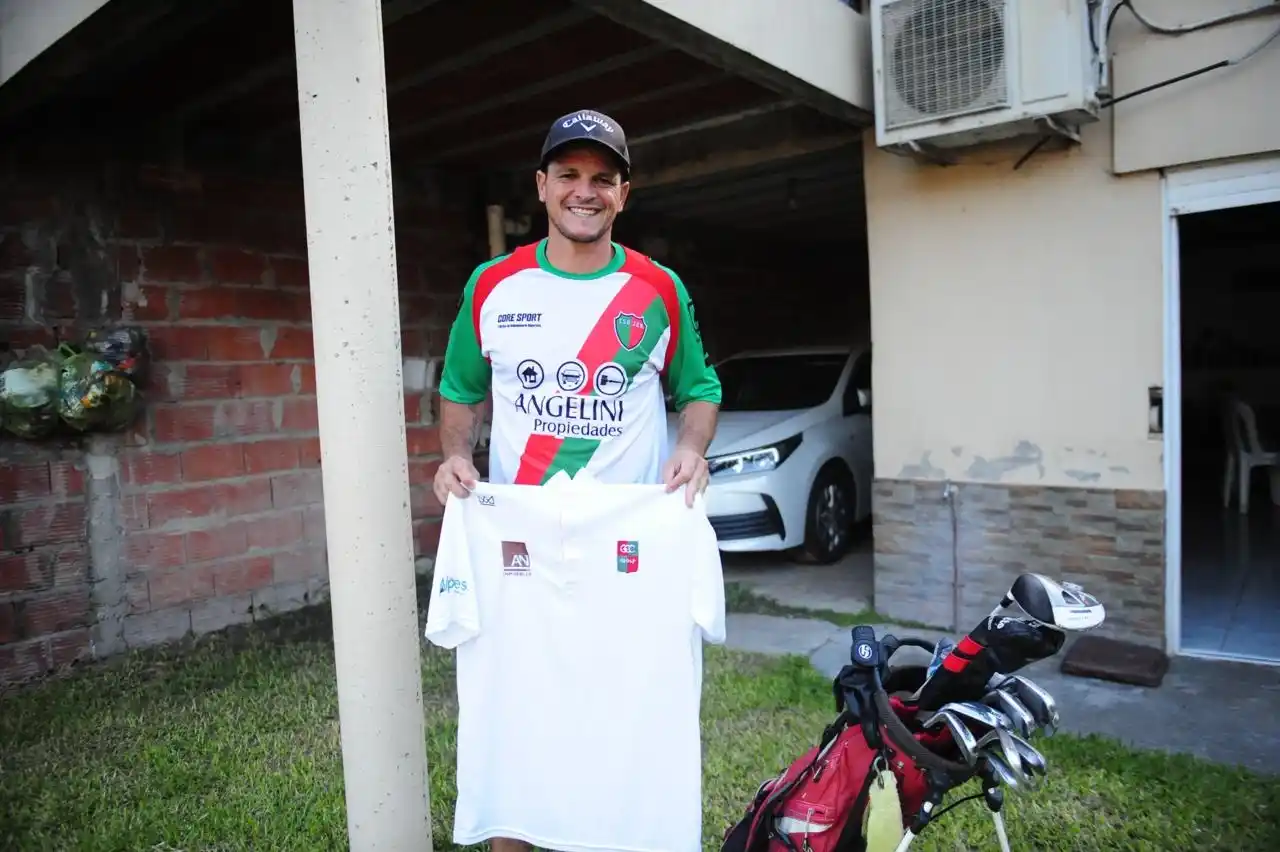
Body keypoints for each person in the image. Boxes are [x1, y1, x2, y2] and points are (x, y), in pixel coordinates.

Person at [431, 109, 722, 850]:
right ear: (542, 185)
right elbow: (461, 390)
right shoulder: (494, 284)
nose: (584, 191)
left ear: (624, 193)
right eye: (569, 174)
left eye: (602, 178)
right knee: (517, 716)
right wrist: (456, 455)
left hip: (629, 549)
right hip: (520, 547)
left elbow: (699, 390)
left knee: (628, 715)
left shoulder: (657, 288)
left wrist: (692, 447)